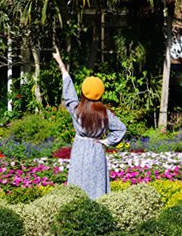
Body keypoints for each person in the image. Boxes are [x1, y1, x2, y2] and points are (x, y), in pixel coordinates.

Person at [52, 49, 126, 199]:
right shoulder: (105, 114)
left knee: (77, 185)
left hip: (79, 149)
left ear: (84, 92)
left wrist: (61, 64)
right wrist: (106, 141)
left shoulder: (77, 110)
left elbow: (69, 93)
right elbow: (121, 129)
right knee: (97, 187)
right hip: (96, 150)